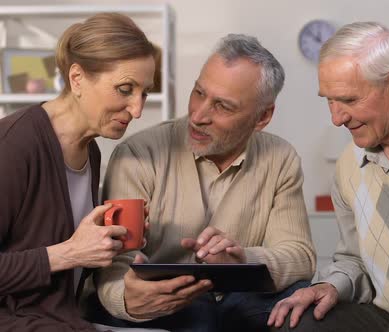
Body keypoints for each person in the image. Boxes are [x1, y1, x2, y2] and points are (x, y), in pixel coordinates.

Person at [88, 33, 316, 332]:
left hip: (243, 298)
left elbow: (300, 255)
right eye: (198, 92)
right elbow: (115, 260)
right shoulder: (138, 154)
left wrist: (242, 259)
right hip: (165, 304)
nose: (198, 115)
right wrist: (127, 301)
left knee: (308, 316)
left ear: (262, 117)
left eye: (222, 106)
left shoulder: (280, 158)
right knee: (200, 320)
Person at [268, 21, 389, 332]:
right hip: (378, 313)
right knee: (296, 324)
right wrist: (329, 287)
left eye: (348, 100)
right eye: (329, 100)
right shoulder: (348, 164)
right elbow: (352, 259)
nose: (336, 117)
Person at [0, 13, 155, 332]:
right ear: (77, 78)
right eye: (125, 89)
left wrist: (111, 241)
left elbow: (58, 244)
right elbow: (67, 252)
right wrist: (70, 253)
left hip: (64, 319)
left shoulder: (90, 150)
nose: (137, 110)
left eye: (144, 93)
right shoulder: (14, 144)